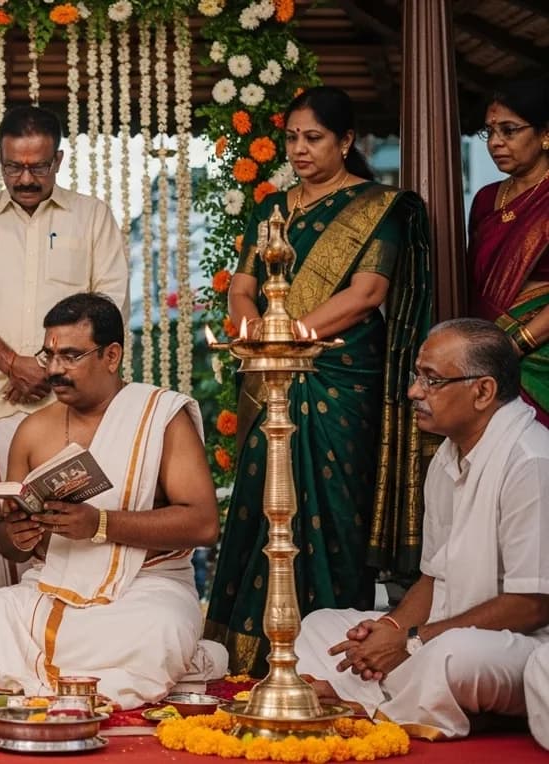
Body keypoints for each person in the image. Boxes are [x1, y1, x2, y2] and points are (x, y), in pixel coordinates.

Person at [204, 86, 433, 676]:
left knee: (334, 506)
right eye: (292, 139)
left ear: (346, 141)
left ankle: (331, 656)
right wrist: (256, 332)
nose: (300, 150)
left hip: (341, 372)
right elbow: (242, 286)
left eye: (315, 138)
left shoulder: (377, 207)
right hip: (273, 369)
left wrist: (290, 335)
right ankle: (251, 658)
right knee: (263, 499)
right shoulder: (272, 207)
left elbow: (368, 294)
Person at [0, 294, 223, 709]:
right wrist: (17, 534)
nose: (55, 369)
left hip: (146, 586)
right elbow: (8, 541)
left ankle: (48, 689)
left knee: (158, 632)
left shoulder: (161, 417)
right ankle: (86, 690)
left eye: (71, 356)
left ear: (111, 356)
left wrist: (101, 524)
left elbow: (203, 524)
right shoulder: (33, 431)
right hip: (51, 584)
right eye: (49, 355)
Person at [295, 319, 549, 740]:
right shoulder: (449, 457)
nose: (414, 392)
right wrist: (391, 630)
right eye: (417, 376)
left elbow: (533, 605)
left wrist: (411, 642)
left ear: (483, 391)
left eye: (432, 380)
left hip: (525, 648)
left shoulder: (531, 462)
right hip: (442, 631)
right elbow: (435, 576)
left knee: (450, 657)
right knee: (320, 624)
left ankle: (363, 708)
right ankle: (390, 702)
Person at [0, 106, 129, 597]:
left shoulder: (93, 217)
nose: (24, 178)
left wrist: (49, 367)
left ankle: (64, 650)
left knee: (62, 538)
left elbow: (109, 304)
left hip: (70, 408)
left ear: (59, 160)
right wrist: (12, 364)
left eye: (38, 167)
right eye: (13, 166)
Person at [467, 78, 549, 426]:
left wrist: (515, 345)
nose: (496, 143)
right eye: (490, 132)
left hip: (539, 357)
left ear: (545, 134)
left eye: (510, 130)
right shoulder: (486, 199)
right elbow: (474, 284)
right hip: (485, 354)